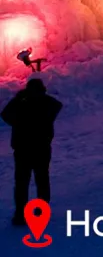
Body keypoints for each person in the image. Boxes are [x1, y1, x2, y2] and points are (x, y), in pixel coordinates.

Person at [2, 79, 61, 225]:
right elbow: (57, 105)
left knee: (23, 182)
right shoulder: (48, 103)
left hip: (24, 149)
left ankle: (21, 214)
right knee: (41, 180)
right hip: (41, 148)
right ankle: (40, 211)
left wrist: (18, 99)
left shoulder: (22, 103)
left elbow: (5, 114)